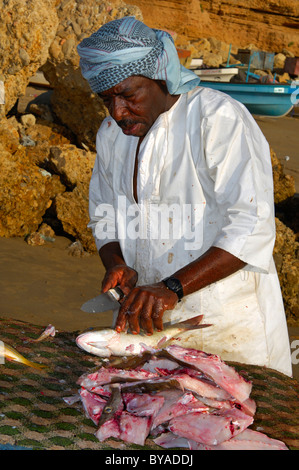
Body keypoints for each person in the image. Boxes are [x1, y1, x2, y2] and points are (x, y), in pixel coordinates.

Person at [77, 16, 292, 376]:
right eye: (106, 100)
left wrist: (173, 287)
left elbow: (251, 228)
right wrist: (115, 262)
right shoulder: (111, 134)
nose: (117, 112)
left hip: (226, 326)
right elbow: (104, 216)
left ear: (160, 76)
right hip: (147, 326)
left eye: (128, 96)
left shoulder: (218, 118)